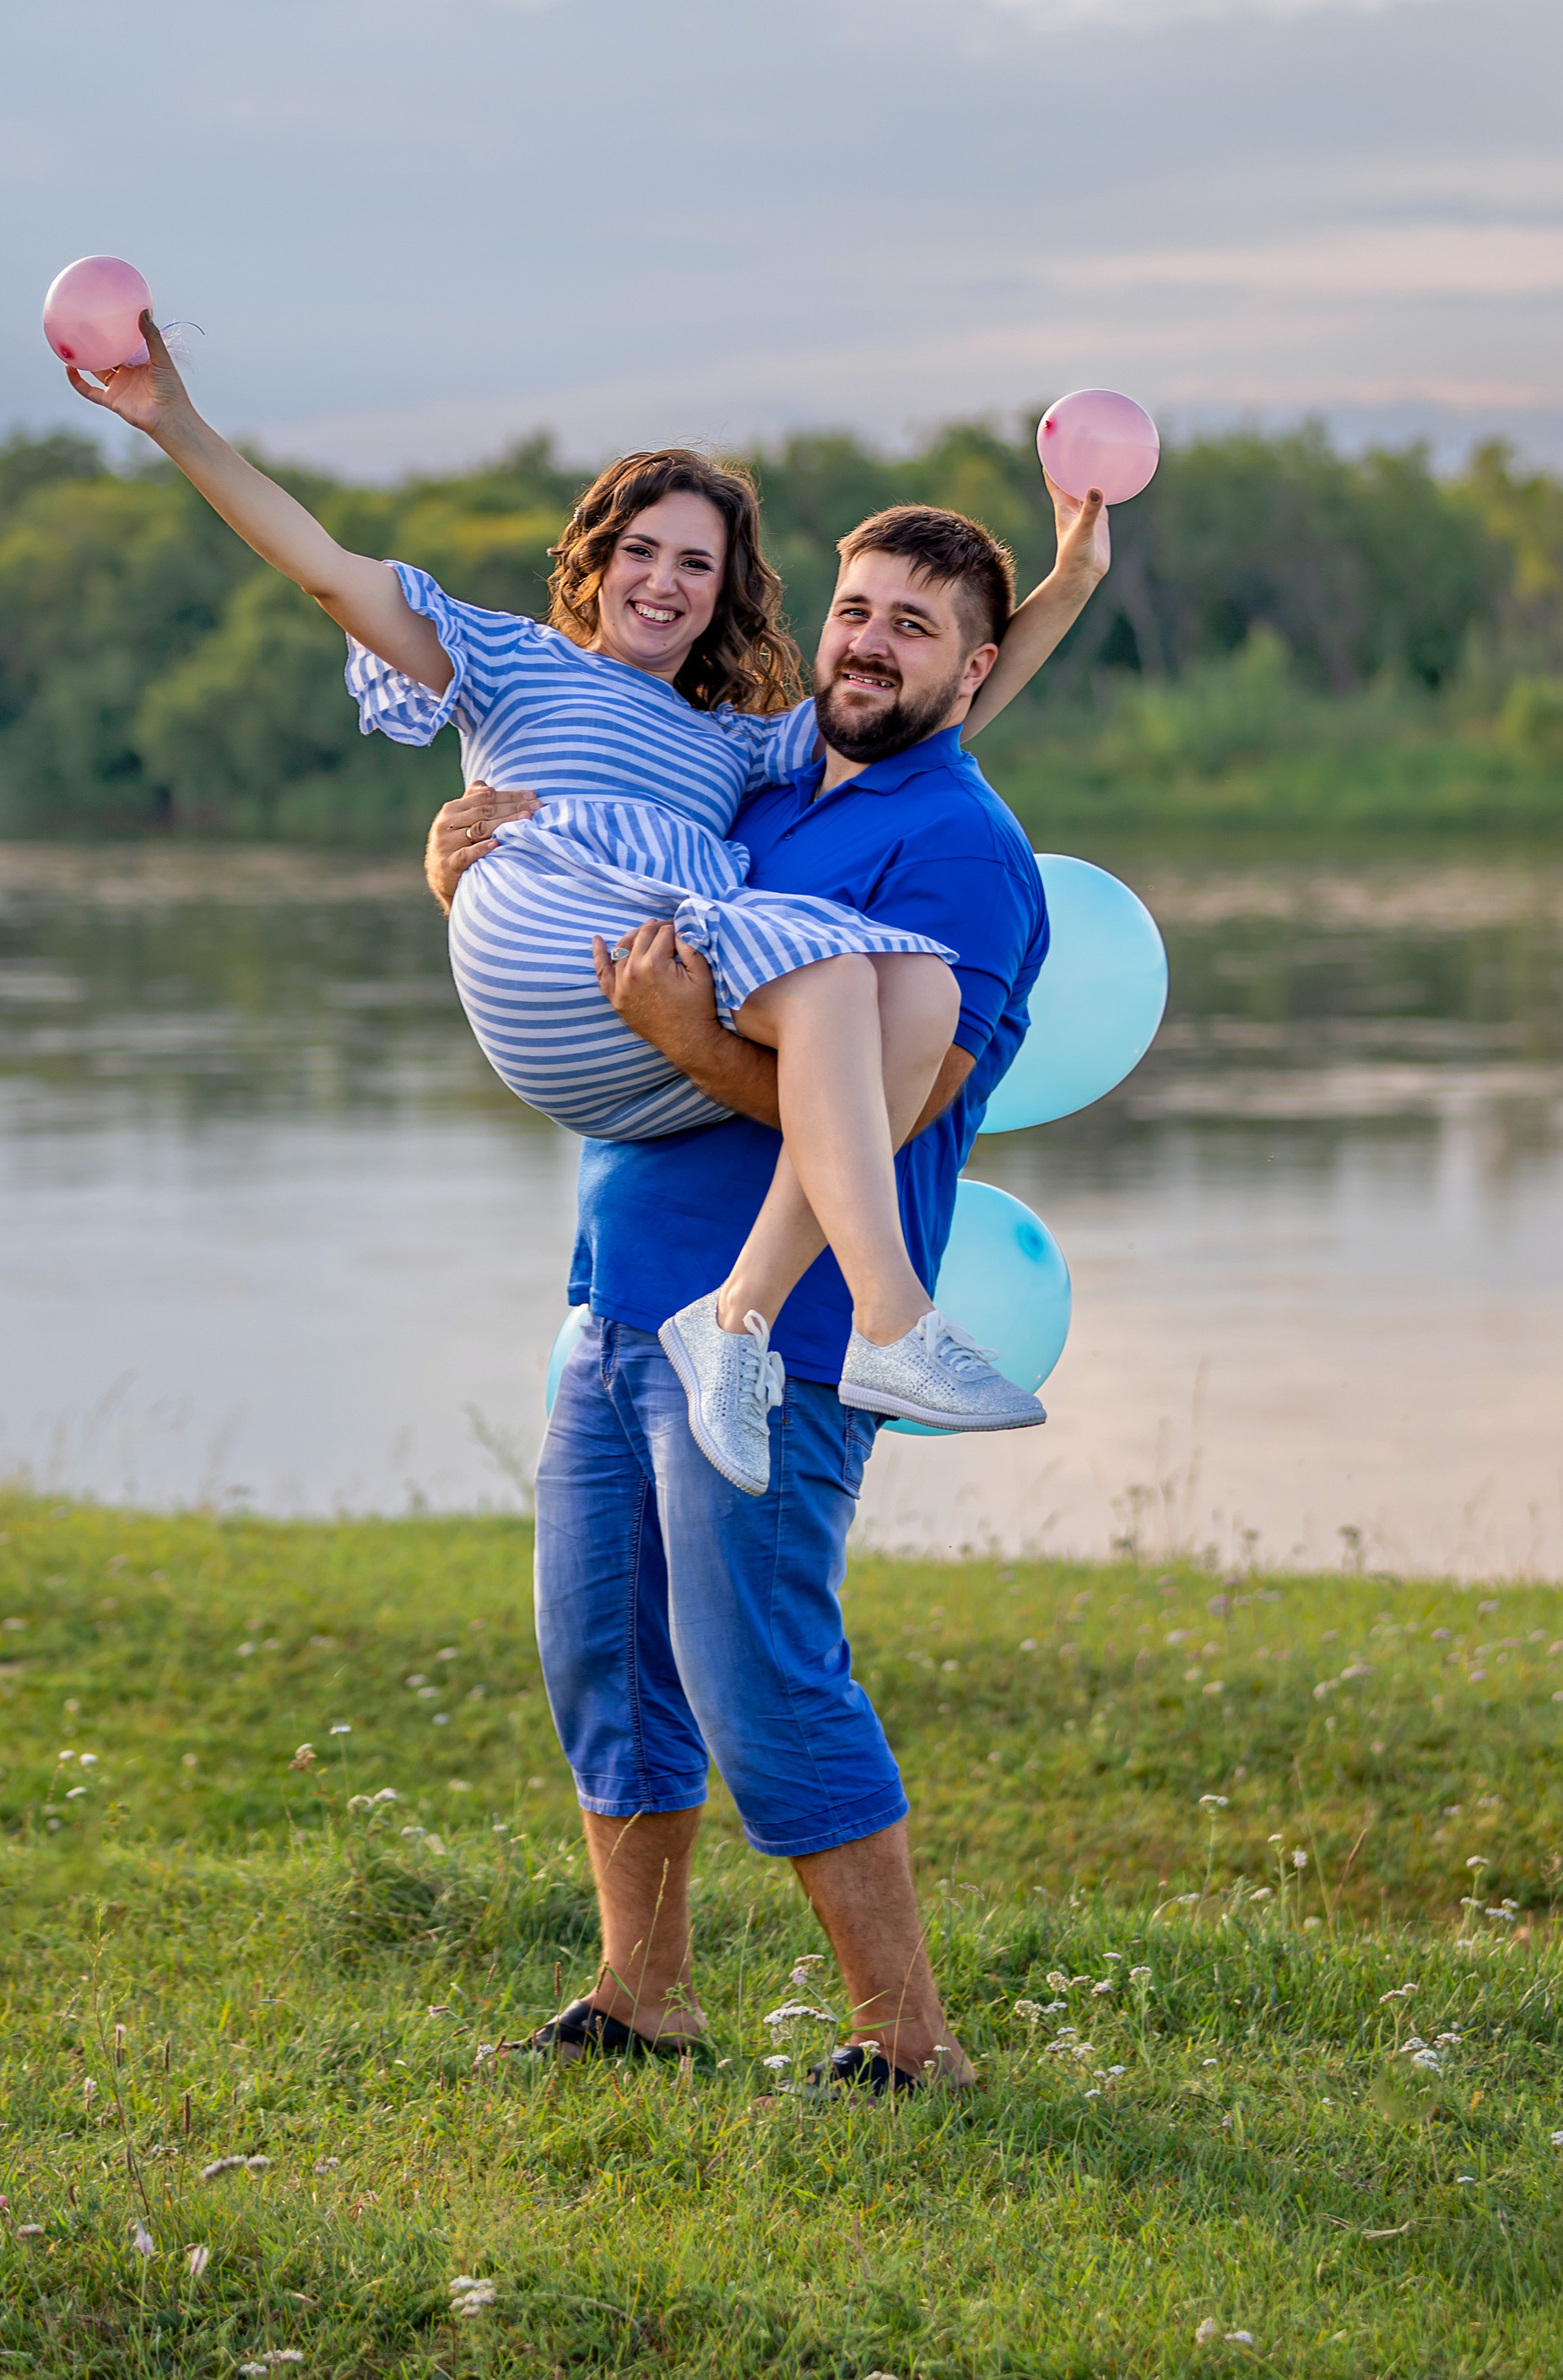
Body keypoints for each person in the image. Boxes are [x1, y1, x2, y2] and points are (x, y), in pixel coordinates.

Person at [70, 316, 1106, 1477]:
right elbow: (322, 566)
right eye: (641, 551)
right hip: (566, 964)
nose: (663, 581)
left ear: (724, 594)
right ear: (595, 561)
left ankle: (750, 1321)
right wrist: (173, 423)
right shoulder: (513, 663)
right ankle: (889, 1320)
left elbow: (921, 703)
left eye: (696, 564)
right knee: (833, 980)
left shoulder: (736, 747)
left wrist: (1069, 583)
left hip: (632, 1010)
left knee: (913, 986)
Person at [427, 494, 1090, 2091]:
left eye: (914, 627)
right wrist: (470, 873)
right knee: (606, 1660)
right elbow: (598, 894)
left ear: (973, 667)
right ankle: (640, 1997)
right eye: (856, 610)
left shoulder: (965, 852)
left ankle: (908, 2042)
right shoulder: (769, 784)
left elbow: (901, 1107)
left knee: (764, 1678)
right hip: (619, 1293)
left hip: (778, 1336)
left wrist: (680, 1034)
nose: (869, 645)